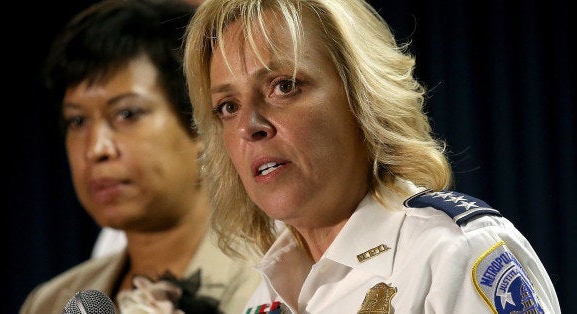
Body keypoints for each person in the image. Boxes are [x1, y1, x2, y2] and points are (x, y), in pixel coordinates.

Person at [182, 0, 561, 313]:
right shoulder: (270, 295)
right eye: (228, 106)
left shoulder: (454, 253)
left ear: (361, 96)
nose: (250, 125)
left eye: (284, 86)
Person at [20, 0, 260, 313]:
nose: (96, 149)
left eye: (127, 114)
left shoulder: (274, 283)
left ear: (202, 125)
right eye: (77, 121)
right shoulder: (51, 303)